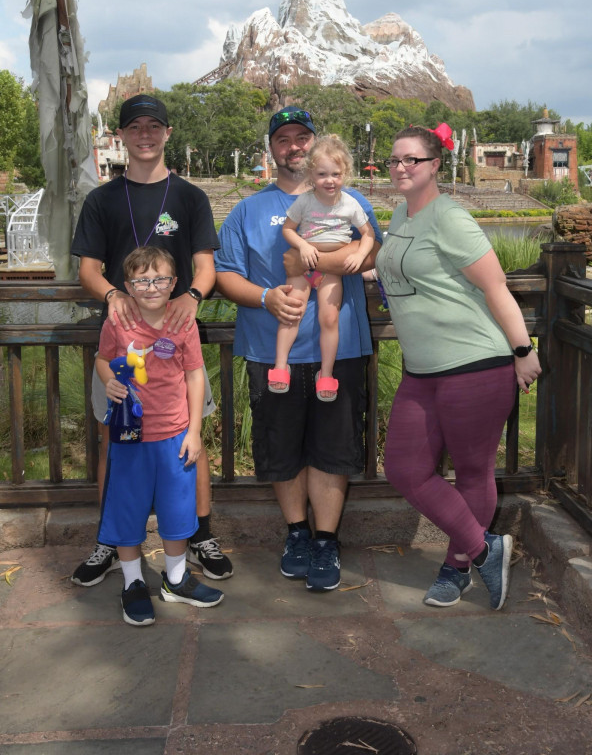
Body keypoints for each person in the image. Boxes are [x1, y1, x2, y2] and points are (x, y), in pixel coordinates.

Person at [375, 123, 541, 611]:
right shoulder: (401, 213)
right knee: (405, 469)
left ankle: (458, 566)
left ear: (434, 166)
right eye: (395, 160)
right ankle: (487, 547)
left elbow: (496, 288)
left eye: (412, 160)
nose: (401, 168)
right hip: (421, 370)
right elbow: (399, 267)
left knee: (473, 471)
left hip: (475, 364)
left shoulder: (451, 219)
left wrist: (522, 350)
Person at [215, 106, 381, 592]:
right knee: (282, 447)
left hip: (340, 346)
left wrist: (336, 255)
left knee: (334, 448)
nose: (294, 146)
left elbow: (373, 251)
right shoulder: (247, 210)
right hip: (272, 351)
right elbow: (225, 274)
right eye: (283, 138)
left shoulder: (352, 200)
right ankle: (296, 534)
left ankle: (326, 539)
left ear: (317, 146)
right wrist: (266, 297)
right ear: (272, 149)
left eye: (301, 137)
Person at [70, 93, 232, 587]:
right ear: (122, 134)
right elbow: (88, 269)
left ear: (166, 133)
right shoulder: (101, 199)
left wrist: (195, 296)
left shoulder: (189, 197)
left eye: (153, 126)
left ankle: (200, 532)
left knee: (190, 439)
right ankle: (109, 538)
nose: (145, 134)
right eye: (135, 126)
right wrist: (113, 294)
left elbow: (204, 265)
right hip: (121, 344)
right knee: (113, 440)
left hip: (176, 338)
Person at [97, 245, 224, 625]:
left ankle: (176, 577)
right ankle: (133, 583)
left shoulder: (183, 322)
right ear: (128, 286)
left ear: (173, 284)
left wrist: (195, 431)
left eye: (160, 279)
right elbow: (104, 360)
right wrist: (108, 382)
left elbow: (194, 374)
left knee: (176, 510)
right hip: (130, 435)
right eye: (142, 280)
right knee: (128, 510)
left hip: (174, 435)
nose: (151, 287)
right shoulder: (117, 323)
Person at [272, 134, 375, 401]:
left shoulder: (350, 203)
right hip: (303, 266)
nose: (329, 180)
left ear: (345, 174)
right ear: (310, 174)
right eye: (322, 174)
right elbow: (288, 229)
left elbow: (369, 234)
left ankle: (326, 373)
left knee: (329, 319)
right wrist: (304, 247)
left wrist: (361, 254)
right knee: (292, 312)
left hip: (332, 272)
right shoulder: (305, 201)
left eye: (336, 174)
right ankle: (281, 365)